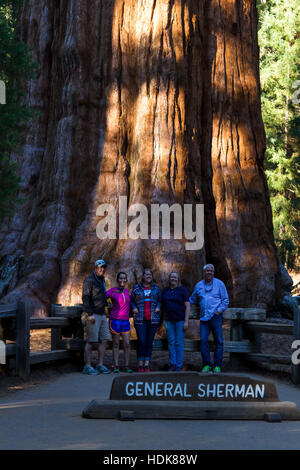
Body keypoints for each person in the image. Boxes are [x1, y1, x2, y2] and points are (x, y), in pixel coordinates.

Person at [189, 264, 229, 373]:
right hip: (204, 319)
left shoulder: (220, 284)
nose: (209, 272)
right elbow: (192, 299)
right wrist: (181, 303)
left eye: (211, 270)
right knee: (203, 341)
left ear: (213, 272)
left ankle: (217, 365)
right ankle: (206, 365)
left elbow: (225, 300)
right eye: (207, 270)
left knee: (219, 341)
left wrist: (218, 311)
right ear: (204, 272)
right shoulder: (198, 285)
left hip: (216, 317)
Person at [81, 259, 111, 375]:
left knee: (104, 339)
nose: (102, 269)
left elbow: (101, 295)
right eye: (100, 267)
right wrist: (89, 313)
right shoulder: (89, 280)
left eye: (103, 267)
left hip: (102, 314)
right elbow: (85, 297)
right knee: (91, 341)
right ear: (95, 268)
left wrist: (107, 304)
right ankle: (87, 366)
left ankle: (100, 364)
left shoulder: (102, 280)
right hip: (92, 315)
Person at [131, 269, 162, 372]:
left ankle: (146, 365)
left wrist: (158, 306)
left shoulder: (156, 288)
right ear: (143, 276)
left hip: (153, 319)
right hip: (140, 319)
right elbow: (131, 301)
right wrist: (134, 307)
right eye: (147, 274)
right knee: (141, 341)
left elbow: (160, 300)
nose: (149, 276)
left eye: (150, 274)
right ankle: (140, 365)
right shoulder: (136, 288)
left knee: (149, 342)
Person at [162, 272, 190, 371]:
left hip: (180, 321)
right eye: (171, 277)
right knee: (171, 343)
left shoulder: (182, 290)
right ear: (169, 279)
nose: (173, 279)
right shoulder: (165, 290)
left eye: (175, 277)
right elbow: (162, 305)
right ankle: (172, 364)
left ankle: (179, 365)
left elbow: (187, 306)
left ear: (178, 279)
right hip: (168, 321)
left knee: (179, 343)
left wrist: (186, 321)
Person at [106, 272, 133, 373]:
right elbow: (102, 297)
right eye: (120, 278)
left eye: (124, 278)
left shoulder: (127, 292)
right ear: (117, 280)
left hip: (125, 321)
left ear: (126, 280)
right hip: (115, 320)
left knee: (127, 344)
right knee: (116, 343)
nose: (122, 280)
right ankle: (116, 365)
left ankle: (127, 365)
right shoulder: (112, 291)